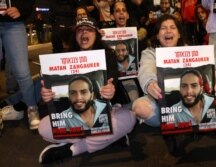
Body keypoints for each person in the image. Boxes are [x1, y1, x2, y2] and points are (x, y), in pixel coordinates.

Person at [38, 17, 136, 164]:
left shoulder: (108, 55)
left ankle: (72, 149)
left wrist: (110, 89)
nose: (84, 33)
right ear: (75, 35)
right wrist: (48, 96)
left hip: (104, 112)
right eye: (80, 30)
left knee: (130, 118)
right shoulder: (62, 57)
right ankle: (108, 138)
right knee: (43, 128)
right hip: (72, 116)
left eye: (89, 30)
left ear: (96, 34)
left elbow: (112, 80)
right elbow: (55, 96)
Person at [132, 14, 216, 128]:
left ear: (179, 34)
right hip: (158, 98)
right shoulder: (149, 52)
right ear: (157, 35)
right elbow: (146, 69)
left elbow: (205, 67)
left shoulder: (189, 50)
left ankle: (193, 121)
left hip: (193, 103)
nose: (168, 31)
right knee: (140, 107)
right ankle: (172, 122)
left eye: (172, 27)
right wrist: (150, 83)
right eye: (163, 28)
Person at [0, 0, 40, 130]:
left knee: (22, 72)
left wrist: (20, 9)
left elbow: (29, 2)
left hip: (14, 24)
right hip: (12, 24)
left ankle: (32, 109)